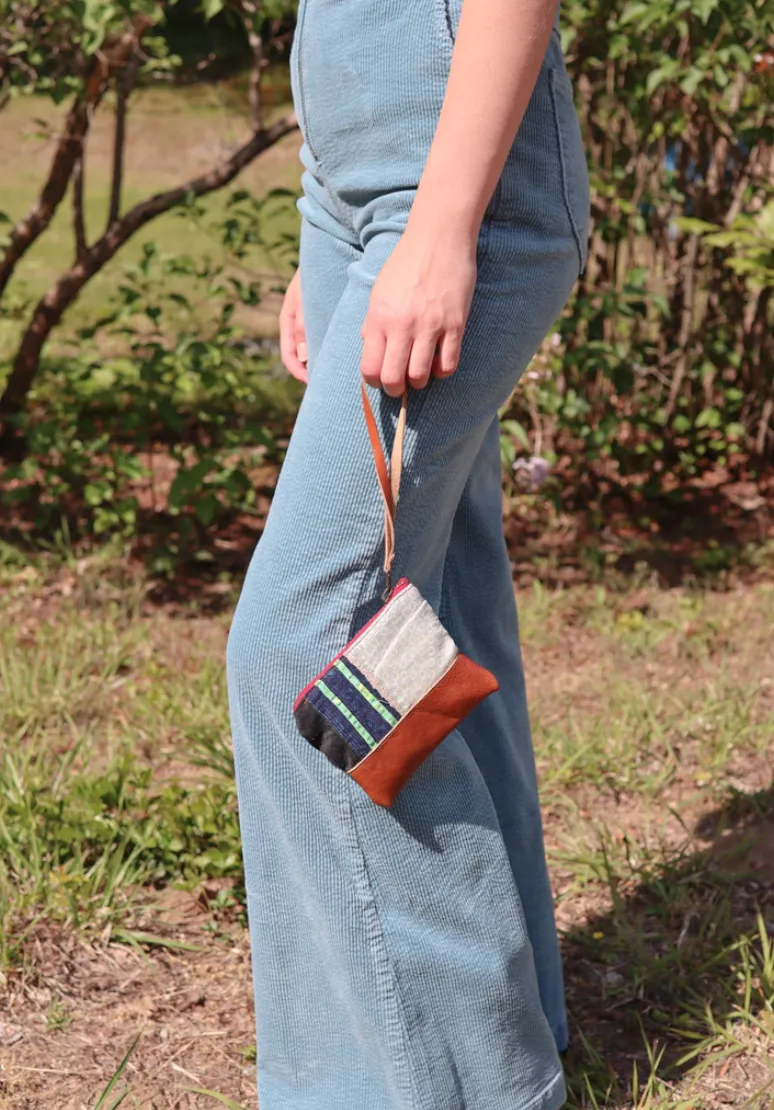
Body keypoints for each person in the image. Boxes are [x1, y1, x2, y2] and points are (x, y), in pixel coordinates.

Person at [226, 0, 589, 1106]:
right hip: (365, 195)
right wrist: (323, 222)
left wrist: (439, 227)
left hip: (454, 195)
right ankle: (509, 1039)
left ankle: (449, 1082)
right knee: (435, 615)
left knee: (312, 645)